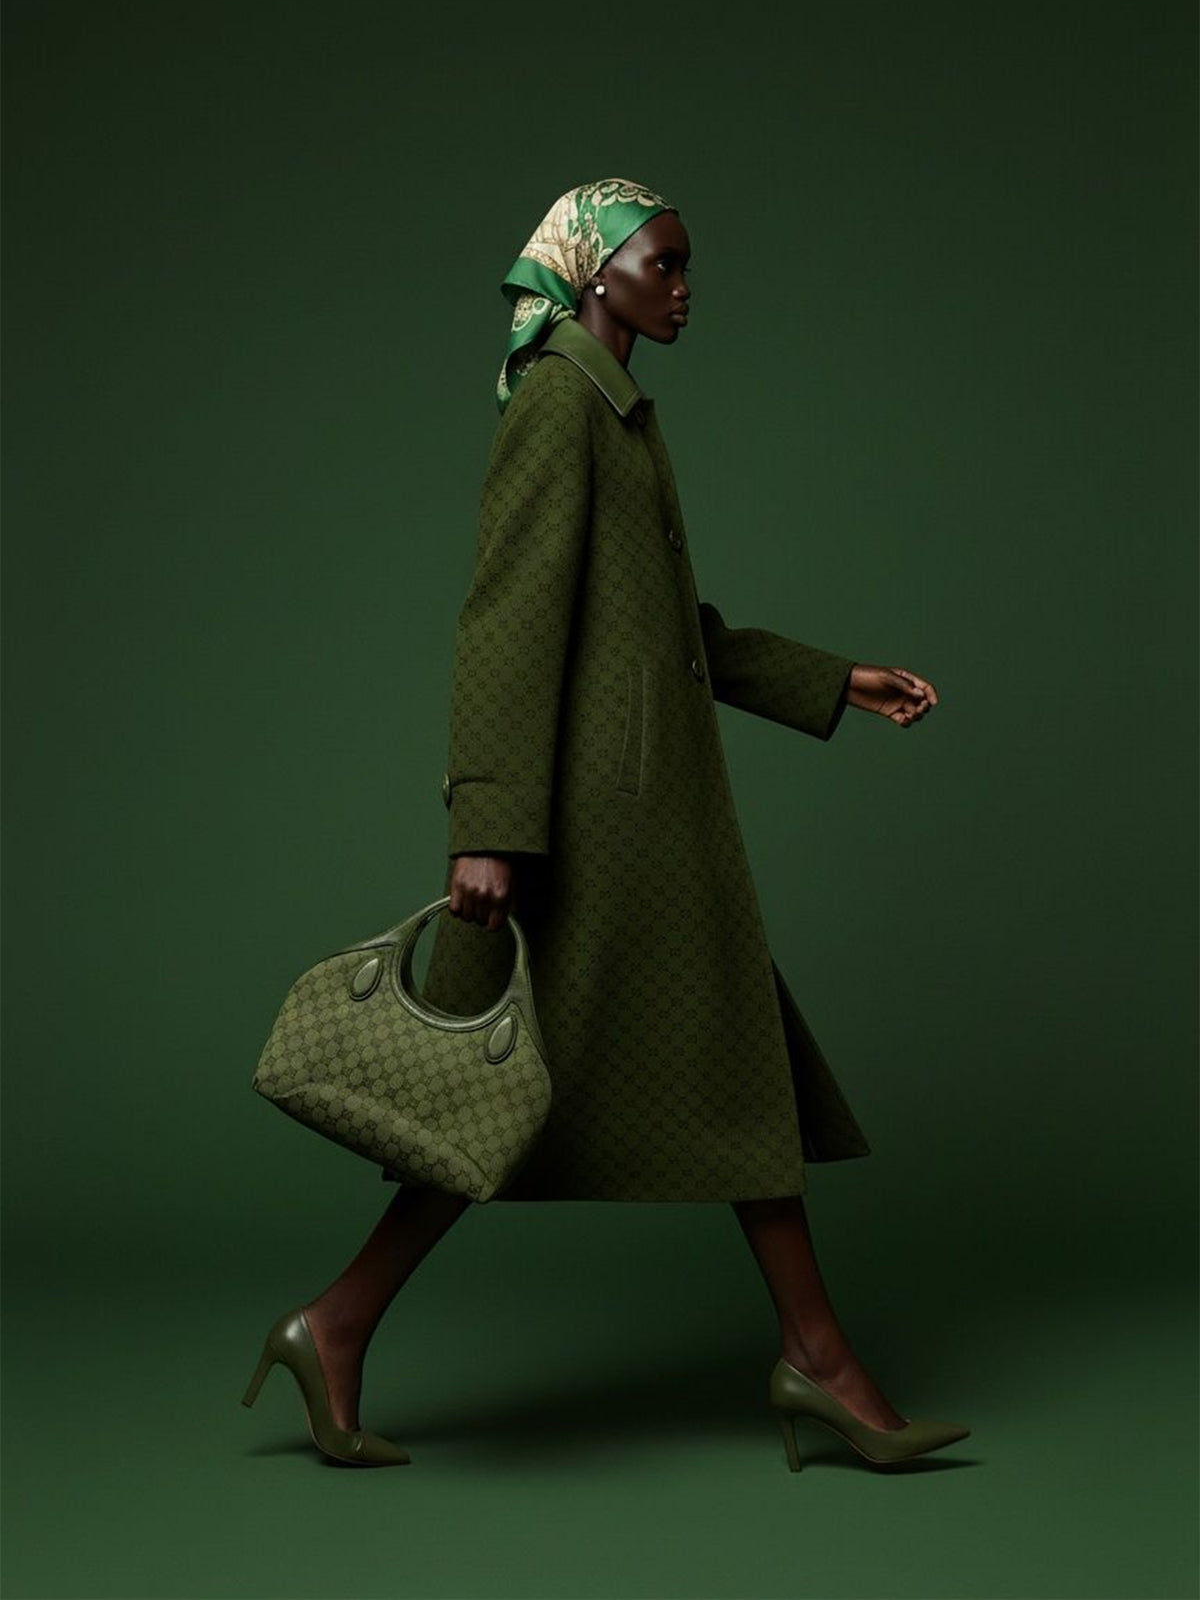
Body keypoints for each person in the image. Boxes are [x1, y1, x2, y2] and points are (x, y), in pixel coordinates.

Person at [242, 179, 970, 1471]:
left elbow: (661, 635)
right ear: (592, 271)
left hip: (640, 824)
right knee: (506, 1097)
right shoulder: (560, 407)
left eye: (688, 267)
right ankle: (343, 1323)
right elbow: (508, 623)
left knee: (675, 1074)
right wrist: (487, 827)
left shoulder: (616, 410)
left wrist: (831, 681)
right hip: (590, 833)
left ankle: (345, 1326)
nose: (685, 288)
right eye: (663, 263)